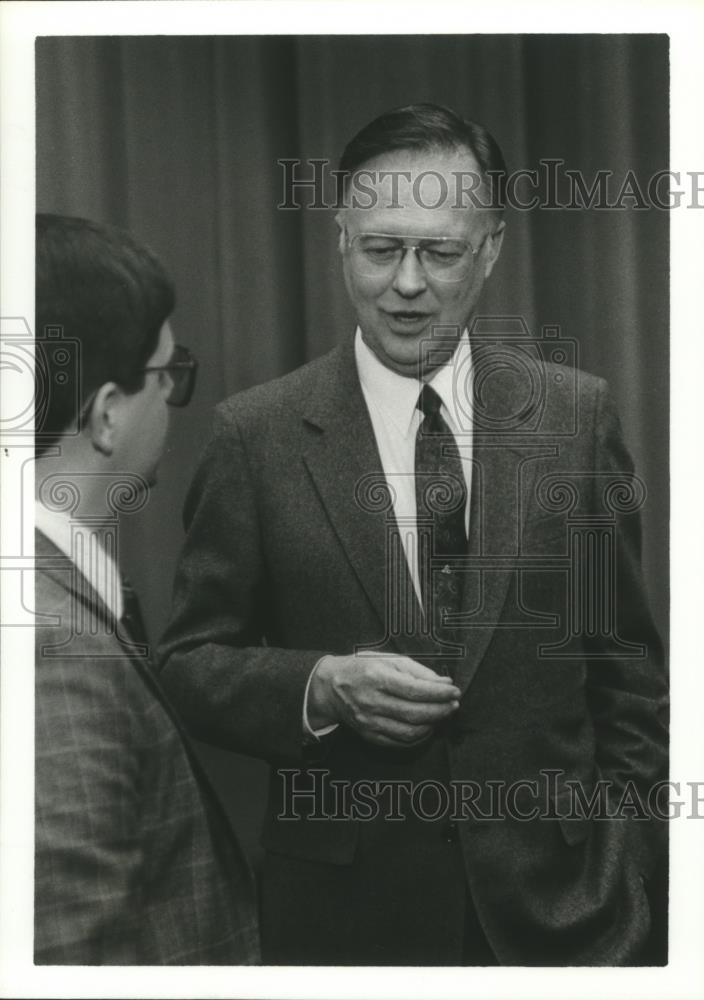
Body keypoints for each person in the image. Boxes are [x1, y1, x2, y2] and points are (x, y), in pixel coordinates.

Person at [159, 104, 668, 966]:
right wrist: (319, 686)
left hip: (570, 921)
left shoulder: (574, 417)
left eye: (438, 252)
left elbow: (625, 680)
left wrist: (627, 866)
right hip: (348, 926)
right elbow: (187, 662)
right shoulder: (257, 434)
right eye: (381, 248)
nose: (405, 283)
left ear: (492, 249)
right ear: (339, 238)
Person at [33, 213, 259, 964]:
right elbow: (70, 947)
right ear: (105, 414)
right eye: (169, 376)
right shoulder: (54, 649)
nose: (173, 399)